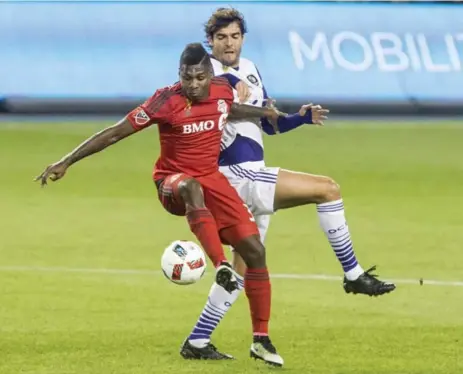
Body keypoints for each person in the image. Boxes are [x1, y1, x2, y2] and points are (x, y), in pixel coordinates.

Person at [35, 43, 327, 367]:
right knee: (191, 187)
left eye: (199, 77)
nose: (192, 85)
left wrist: (264, 113)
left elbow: (229, 109)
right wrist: (67, 161)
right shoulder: (165, 101)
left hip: (213, 180)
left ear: (209, 74)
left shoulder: (221, 91)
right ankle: (221, 267)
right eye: (186, 78)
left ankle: (260, 339)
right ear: (179, 75)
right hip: (172, 182)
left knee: (255, 251)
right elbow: (116, 132)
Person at [180, 8, 396, 363]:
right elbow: (222, 109)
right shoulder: (206, 74)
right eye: (221, 38)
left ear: (243, 37)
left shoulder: (249, 68)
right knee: (327, 189)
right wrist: (236, 95)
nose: (229, 44)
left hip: (250, 174)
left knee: (243, 266)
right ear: (210, 41)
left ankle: (198, 340)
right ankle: (353, 274)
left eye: (234, 36)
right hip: (236, 175)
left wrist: (299, 118)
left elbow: (268, 125)